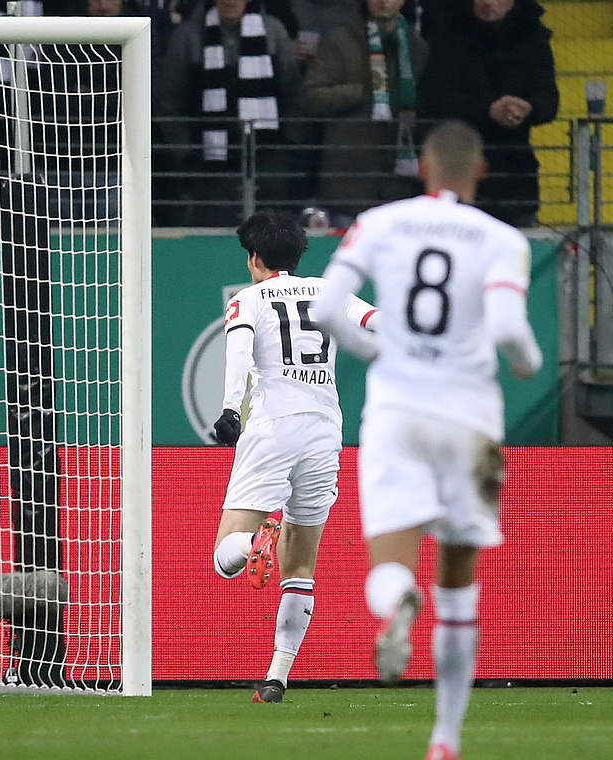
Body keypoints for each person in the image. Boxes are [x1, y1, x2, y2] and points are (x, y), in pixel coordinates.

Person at [312, 121, 541, 760]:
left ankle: (399, 602)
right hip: (470, 419)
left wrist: (378, 348)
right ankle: (445, 738)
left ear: (421, 166)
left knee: (388, 564)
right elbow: (507, 326)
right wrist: (527, 361)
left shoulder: (381, 222)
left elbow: (330, 307)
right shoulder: (503, 239)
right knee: (460, 584)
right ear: (482, 172)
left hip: (395, 412)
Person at [210, 210, 378, 704]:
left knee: (226, 559)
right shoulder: (330, 293)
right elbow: (376, 321)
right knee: (300, 567)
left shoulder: (248, 299)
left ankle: (257, 539)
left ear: (254, 257)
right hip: (325, 432)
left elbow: (239, 353)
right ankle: (277, 678)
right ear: (300, 254)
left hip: (272, 427)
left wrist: (227, 410)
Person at [156, 0, 301, 226]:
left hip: (269, 162)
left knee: (271, 241)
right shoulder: (188, 36)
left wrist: (288, 145)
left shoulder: (274, 31)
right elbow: (169, 99)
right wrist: (185, 153)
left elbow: (293, 93)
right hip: (208, 166)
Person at [417, 0, 557, 227]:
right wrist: (486, 111)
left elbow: (550, 101)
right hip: (458, 176)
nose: (488, 2)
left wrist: (528, 109)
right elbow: (434, 99)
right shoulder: (447, 37)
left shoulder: (534, 38)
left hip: (516, 180)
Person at [302, 0, 427, 225]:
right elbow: (312, 97)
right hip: (347, 188)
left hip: (400, 190)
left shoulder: (416, 46)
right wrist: (361, 92)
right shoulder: (338, 41)